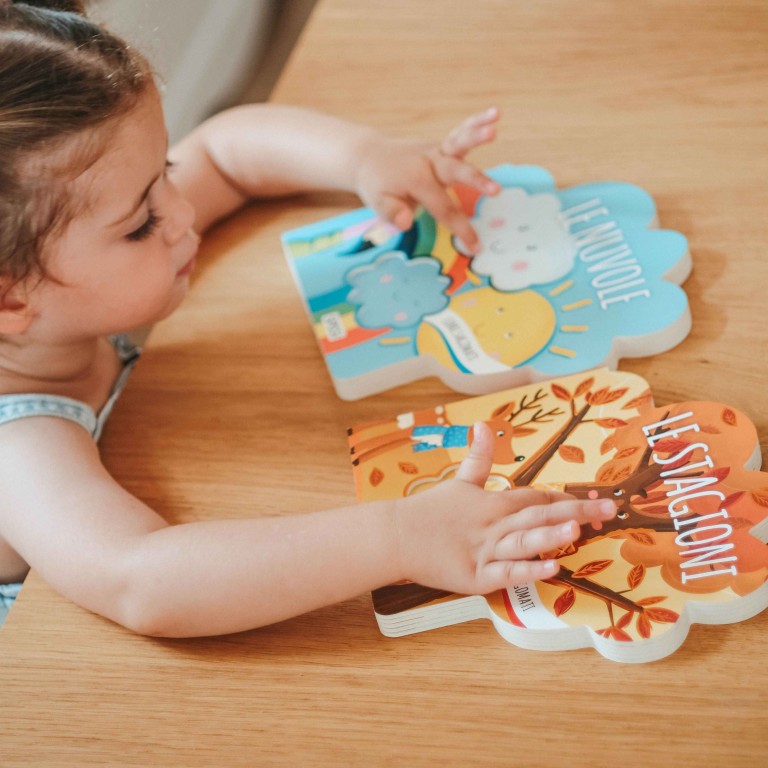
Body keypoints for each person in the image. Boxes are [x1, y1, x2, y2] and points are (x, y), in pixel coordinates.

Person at [0, 0, 617, 635]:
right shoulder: (16, 448)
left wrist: (364, 158)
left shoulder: (59, 289)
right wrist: (402, 536)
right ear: (10, 300)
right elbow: (145, 579)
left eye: (166, 173)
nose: (182, 212)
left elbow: (223, 148)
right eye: (141, 224)